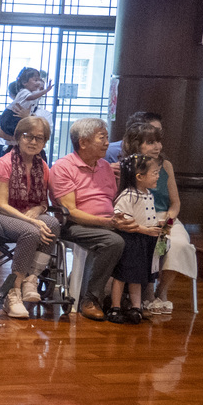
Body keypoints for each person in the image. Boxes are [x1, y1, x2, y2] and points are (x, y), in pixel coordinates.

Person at [50, 117, 133, 321]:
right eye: (102, 137)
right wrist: (108, 222)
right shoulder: (64, 167)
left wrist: (121, 218)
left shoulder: (104, 166)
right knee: (113, 241)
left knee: (137, 237)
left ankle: (126, 299)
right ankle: (89, 299)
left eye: (106, 137)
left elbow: (112, 200)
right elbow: (71, 211)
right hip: (74, 225)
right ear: (83, 142)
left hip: (106, 222)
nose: (107, 142)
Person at [0, 115, 61, 319]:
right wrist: (31, 220)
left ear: (44, 142)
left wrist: (38, 210)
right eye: (28, 136)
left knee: (52, 223)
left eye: (39, 138)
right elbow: (1, 204)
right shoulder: (4, 162)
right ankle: (13, 293)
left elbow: (43, 202)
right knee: (30, 231)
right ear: (18, 137)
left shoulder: (42, 166)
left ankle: (31, 279)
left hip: (28, 214)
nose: (33, 142)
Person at [123, 120, 197, 313]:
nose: (158, 146)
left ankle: (161, 291)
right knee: (149, 244)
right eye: (150, 142)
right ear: (137, 145)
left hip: (166, 217)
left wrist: (169, 221)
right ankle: (146, 291)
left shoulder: (166, 166)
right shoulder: (127, 166)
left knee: (178, 245)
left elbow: (175, 203)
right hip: (141, 217)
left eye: (158, 141)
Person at [107, 153, 163, 324]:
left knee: (137, 276)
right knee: (122, 275)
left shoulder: (148, 194)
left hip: (145, 242)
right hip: (130, 240)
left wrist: (157, 224)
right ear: (139, 176)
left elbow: (146, 215)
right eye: (155, 173)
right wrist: (145, 229)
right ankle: (115, 306)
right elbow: (123, 220)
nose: (158, 177)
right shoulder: (129, 195)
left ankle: (135, 307)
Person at [0, 68, 53, 189]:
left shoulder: (45, 114)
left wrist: (27, 118)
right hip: (11, 151)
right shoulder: (15, 108)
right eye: (35, 81)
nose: (39, 85)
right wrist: (22, 135)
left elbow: (42, 137)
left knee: (34, 188)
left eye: (40, 84)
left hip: (34, 156)